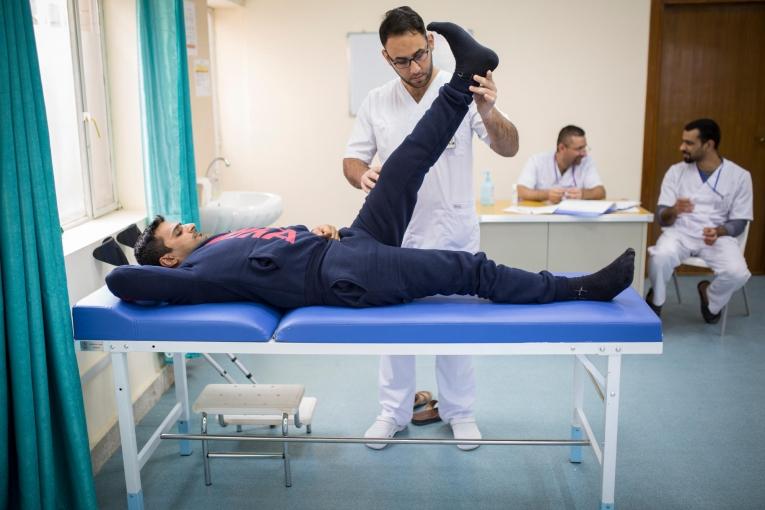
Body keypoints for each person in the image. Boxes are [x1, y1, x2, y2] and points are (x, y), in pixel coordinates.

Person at [106, 26, 635, 458]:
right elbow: (124, 278)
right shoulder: (193, 274)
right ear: (172, 259)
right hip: (344, 277)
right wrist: (130, 249)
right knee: (468, 271)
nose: (190, 226)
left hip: (345, 243)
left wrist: (315, 229)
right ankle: (580, 288)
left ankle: (470, 67)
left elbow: (271, 247)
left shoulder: (219, 241)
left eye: (421, 56)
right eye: (178, 231)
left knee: (407, 160)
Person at [343, 6, 519, 451]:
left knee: (457, 328)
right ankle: (392, 413)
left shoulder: (460, 86)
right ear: (386, 57)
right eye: (402, 60)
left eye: (419, 55)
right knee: (393, 332)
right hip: (395, 236)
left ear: (432, 43)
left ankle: (460, 412)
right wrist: (361, 174)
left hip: (452, 228)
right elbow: (351, 159)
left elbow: (508, 145)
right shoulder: (376, 101)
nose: (414, 68)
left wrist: (490, 110)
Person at [645, 118, 752, 323]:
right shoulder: (676, 172)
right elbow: (662, 218)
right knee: (660, 256)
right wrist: (675, 210)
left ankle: (710, 298)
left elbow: (740, 221)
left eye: (689, 143)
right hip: (680, 233)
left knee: (738, 273)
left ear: (708, 144)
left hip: (717, 238)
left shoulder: (739, 176)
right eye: (683, 141)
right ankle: (656, 302)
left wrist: (719, 231)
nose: (682, 147)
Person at [516, 125, 605, 203]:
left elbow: (600, 192)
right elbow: (521, 191)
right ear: (562, 148)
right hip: (542, 219)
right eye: (579, 149)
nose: (584, 153)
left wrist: (583, 194)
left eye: (584, 148)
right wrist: (547, 195)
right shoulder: (537, 161)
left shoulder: (586, 161)